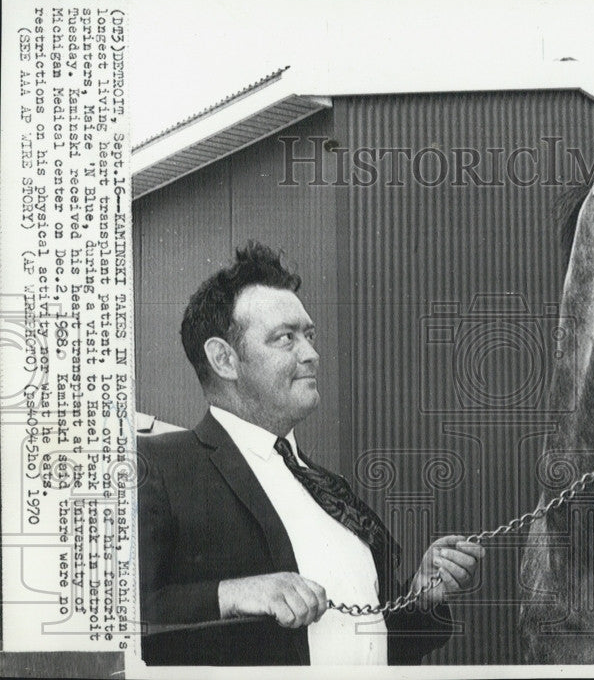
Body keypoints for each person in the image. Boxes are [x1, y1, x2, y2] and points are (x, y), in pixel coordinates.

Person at [138, 242, 484, 666]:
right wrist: (233, 594)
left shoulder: (329, 487)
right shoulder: (156, 466)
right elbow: (106, 624)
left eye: (310, 335)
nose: (312, 354)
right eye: (286, 338)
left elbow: (373, 636)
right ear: (224, 359)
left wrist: (422, 596)